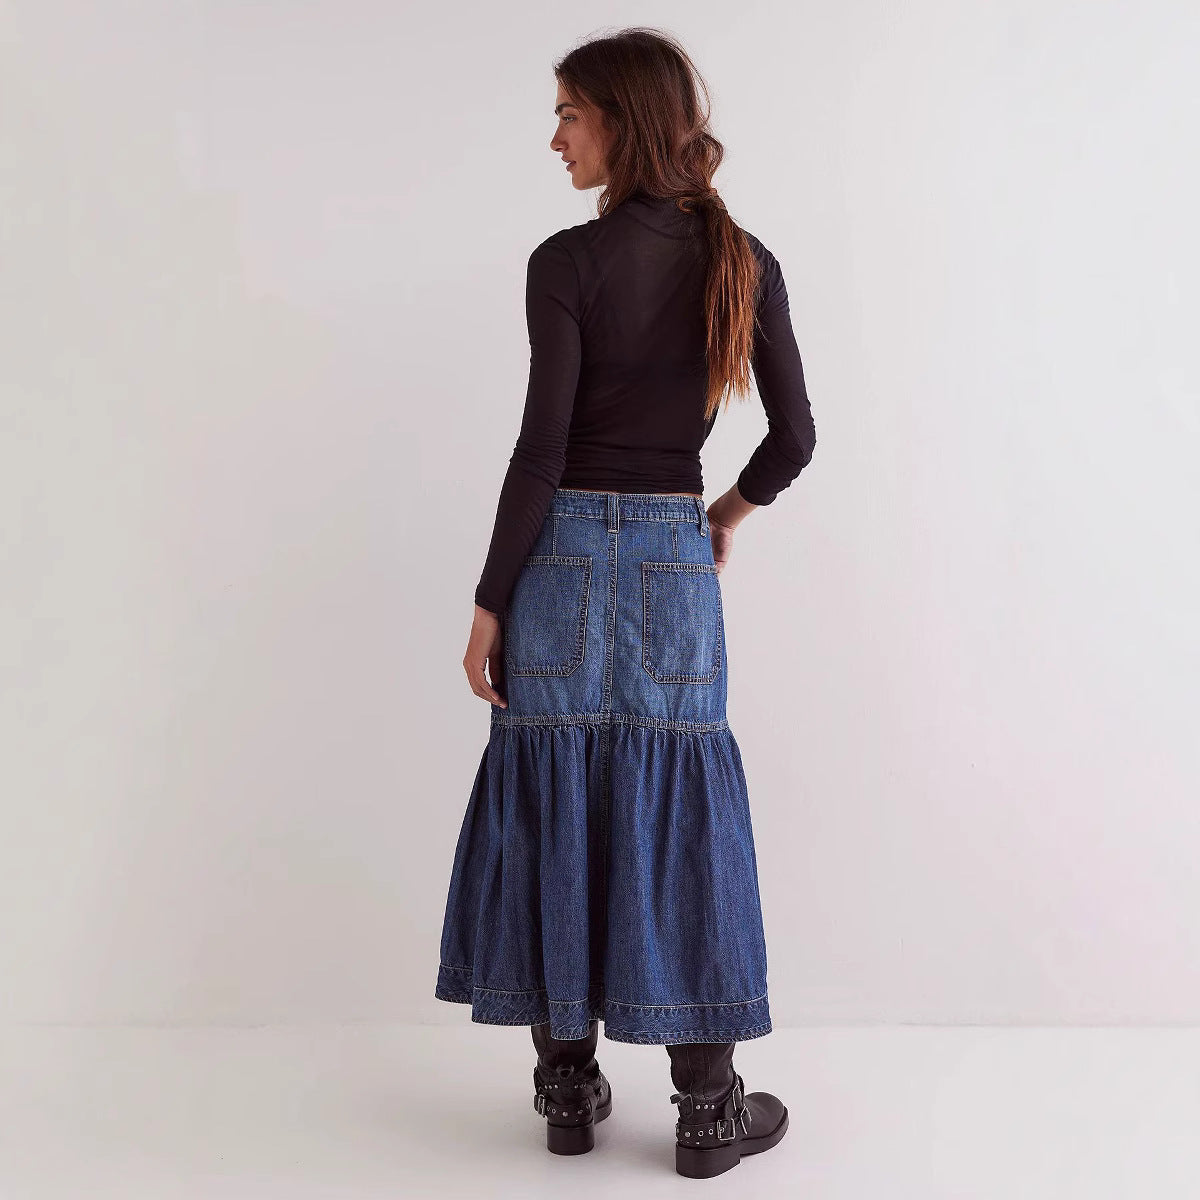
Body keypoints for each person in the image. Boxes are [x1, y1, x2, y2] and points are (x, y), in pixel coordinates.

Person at [434, 27, 814, 1179]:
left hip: (556, 564)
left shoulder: (565, 263)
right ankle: (707, 1109)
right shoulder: (743, 260)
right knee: (681, 814)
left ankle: (565, 1087)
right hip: (670, 562)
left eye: (570, 114)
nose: (556, 138)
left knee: (555, 798)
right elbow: (794, 439)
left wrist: (491, 600)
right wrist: (722, 515)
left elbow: (541, 452)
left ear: (622, 120)